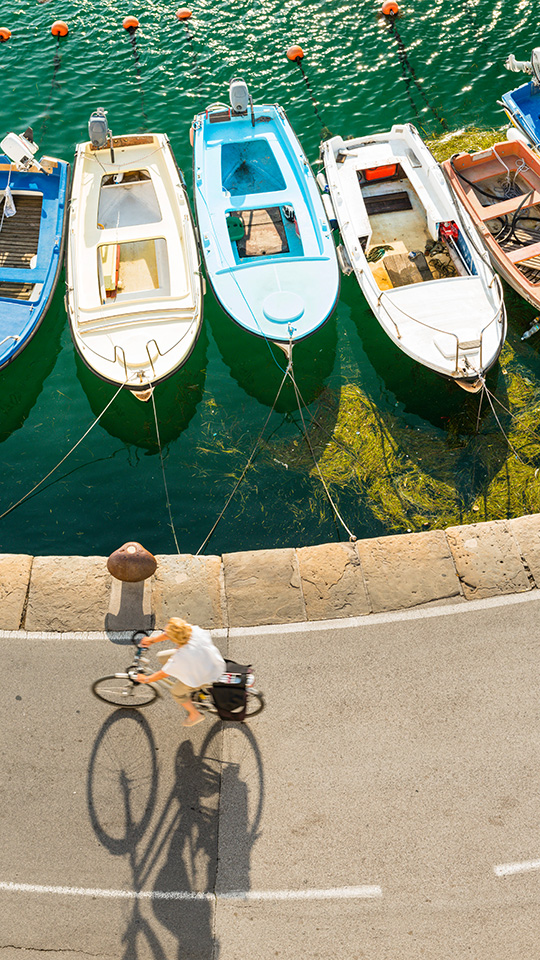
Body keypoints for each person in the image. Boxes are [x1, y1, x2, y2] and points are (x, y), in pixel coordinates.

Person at [135, 618, 226, 726]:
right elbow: (173, 633)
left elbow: (163, 673)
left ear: (174, 639)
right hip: (211, 661)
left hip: (204, 675)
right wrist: (152, 640)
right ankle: (185, 679)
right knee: (161, 657)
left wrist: (146, 679)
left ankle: (195, 714)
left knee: (176, 692)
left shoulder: (180, 658)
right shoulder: (194, 630)